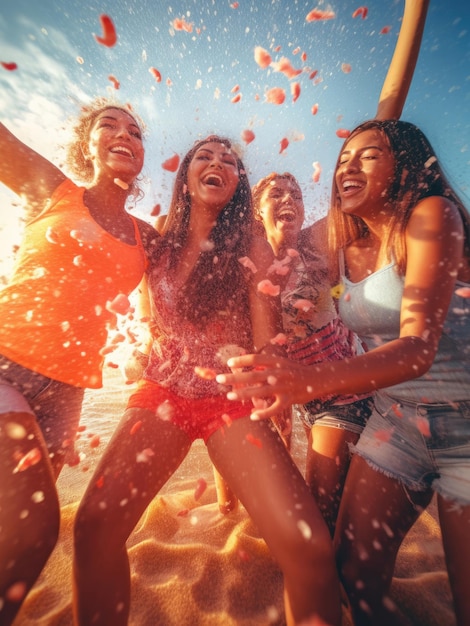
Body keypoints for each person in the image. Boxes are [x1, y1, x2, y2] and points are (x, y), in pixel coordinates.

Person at [72, 135, 342, 626]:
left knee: (311, 550)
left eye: (229, 161)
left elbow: (264, 341)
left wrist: (271, 393)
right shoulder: (156, 235)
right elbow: (146, 312)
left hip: (230, 400)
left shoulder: (251, 245)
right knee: (93, 526)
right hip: (162, 392)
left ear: (239, 183)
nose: (216, 163)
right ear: (186, 177)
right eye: (204, 157)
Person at [216, 119, 470, 626]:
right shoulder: (333, 248)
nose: (348, 167)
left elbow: (418, 349)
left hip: (459, 423)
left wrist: (304, 381)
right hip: (395, 420)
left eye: (369, 155)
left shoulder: (427, 217)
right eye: (343, 159)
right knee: (352, 574)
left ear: (405, 165)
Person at [0, 98, 158, 625]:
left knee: (15, 536)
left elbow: (207, 254)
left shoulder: (145, 237)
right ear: (85, 144)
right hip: (6, 364)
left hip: (67, 395)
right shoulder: (52, 189)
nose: (124, 134)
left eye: (135, 131)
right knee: (34, 526)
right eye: (107, 125)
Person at [250, 171, 372, 535]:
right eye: (276, 194)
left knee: (319, 514)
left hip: (349, 392)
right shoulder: (251, 264)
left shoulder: (315, 244)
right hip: (304, 400)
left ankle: (335, 585)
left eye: (297, 195)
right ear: (257, 211)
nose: (289, 200)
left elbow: (353, 193)